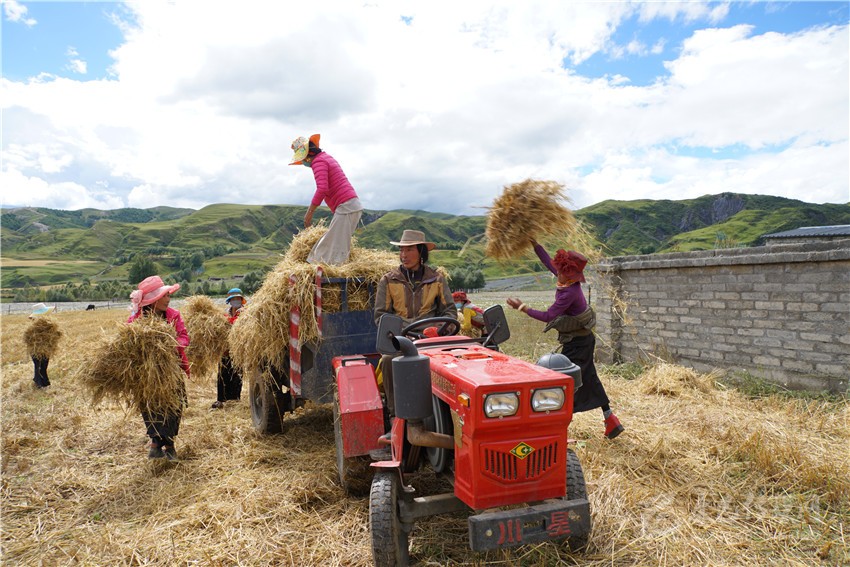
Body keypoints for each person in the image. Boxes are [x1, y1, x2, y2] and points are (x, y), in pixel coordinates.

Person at [506, 240, 624, 440]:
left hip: (579, 344)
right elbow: (547, 262)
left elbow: (548, 316)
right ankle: (610, 418)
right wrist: (535, 244)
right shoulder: (566, 279)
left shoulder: (569, 293)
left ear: (570, 274)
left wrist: (521, 307)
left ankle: (555, 424)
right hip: (580, 340)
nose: (556, 272)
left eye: (560, 271)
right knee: (588, 378)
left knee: (566, 382)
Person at [374, 229, 458, 417]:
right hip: (400, 340)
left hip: (431, 339)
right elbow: (381, 316)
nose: (404, 255)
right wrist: (400, 335)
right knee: (388, 360)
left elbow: (450, 312)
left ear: (421, 252)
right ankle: (395, 414)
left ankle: (446, 413)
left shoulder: (436, 279)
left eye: (409, 250)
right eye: (401, 250)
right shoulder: (388, 280)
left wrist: (438, 330)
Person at [128, 275, 190, 461]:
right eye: (165, 296)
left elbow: (184, 337)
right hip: (146, 373)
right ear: (153, 300)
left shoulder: (174, 315)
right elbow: (128, 343)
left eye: (168, 296)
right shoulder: (136, 321)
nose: (168, 299)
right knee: (151, 406)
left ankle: (169, 444)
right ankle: (156, 442)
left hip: (170, 369)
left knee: (174, 405)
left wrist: (170, 344)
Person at [290, 133, 363, 265]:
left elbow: (322, 188)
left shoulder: (318, 162)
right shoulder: (325, 158)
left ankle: (318, 271)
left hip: (346, 206)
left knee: (330, 247)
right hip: (350, 205)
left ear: (307, 156)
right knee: (335, 244)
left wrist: (309, 213)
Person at [211, 288, 245, 409]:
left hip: (237, 350)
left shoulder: (245, 313)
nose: (236, 301)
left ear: (241, 299)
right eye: (233, 299)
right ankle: (221, 400)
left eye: (238, 298)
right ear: (229, 301)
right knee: (222, 374)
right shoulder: (224, 314)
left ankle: (235, 400)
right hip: (225, 350)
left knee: (236, 374)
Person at [26, 303, 57, 389]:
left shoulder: (47, 325)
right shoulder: (34, 327)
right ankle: (40, 383)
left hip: (45, 348)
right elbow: (30, 338)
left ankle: (43, 382)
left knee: (44, 365)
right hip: (36, 349)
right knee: (39, 365)